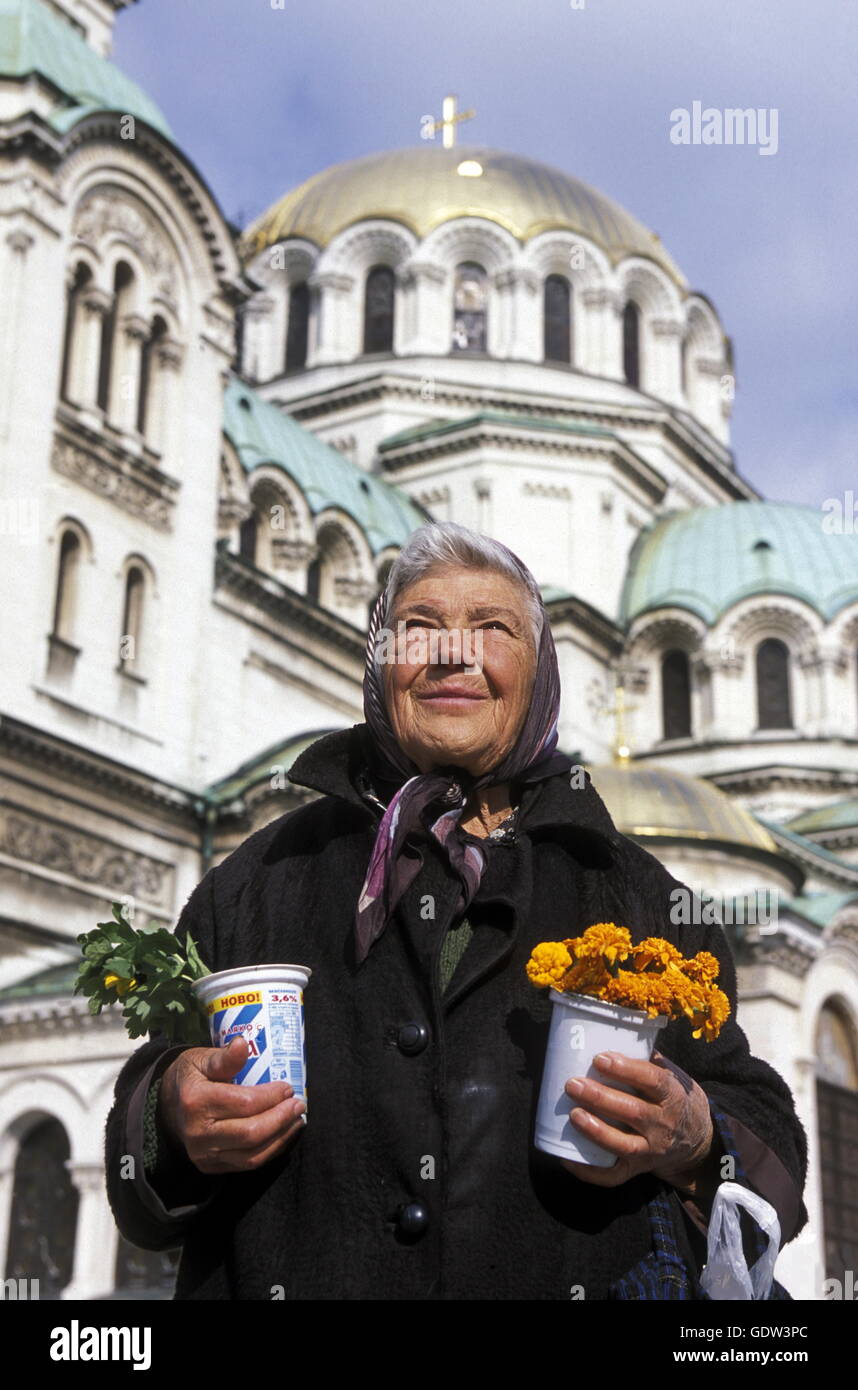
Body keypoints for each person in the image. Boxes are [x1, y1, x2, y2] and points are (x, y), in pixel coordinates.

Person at [104, 521, 808, 1299]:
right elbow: (144, 1153)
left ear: (539, 674)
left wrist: (694, 1136)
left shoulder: (632, 892)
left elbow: (766, 1129)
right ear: (380, 662)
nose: (452, 653)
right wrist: (172, 1111)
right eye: (420, 628)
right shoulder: (259, 880)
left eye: (492, 628)